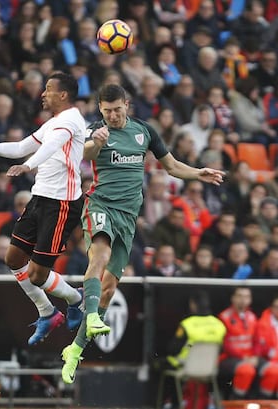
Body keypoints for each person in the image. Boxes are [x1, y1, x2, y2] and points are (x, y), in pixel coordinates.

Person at [61, 83, 225, 384]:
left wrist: (198, 172)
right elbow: (84, 155)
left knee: (109, 288)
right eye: (106, 110)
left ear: (127, 105)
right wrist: (96, 141)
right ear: (100, 109)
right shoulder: (97, 130)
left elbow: (172, 166)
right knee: (100, 253)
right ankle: (94, 315)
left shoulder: (144, 132)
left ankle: (74, 349)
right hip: (100, 204)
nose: (111, 115)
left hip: (127, 218)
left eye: (117, 109)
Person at [0, 72, 85, 345]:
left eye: (49, 89)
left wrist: (28, 166)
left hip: (62, 204)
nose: (43, 93)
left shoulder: (71, 120)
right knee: (14, 259)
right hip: (40, 197)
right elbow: (21, 147)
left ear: (63, 95)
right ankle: (47, 312)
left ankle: (77, 299)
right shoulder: (53, 122)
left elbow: (50, 147)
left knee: (38, 274)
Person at [158, 291, 226, 409]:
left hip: (185, 368)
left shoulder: (187, 324)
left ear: (193, 305)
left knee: (160, 365)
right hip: (210, 370)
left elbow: (173, 349)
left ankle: (172, 404)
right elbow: (221, 349)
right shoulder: (219, 325)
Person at [218, 286, 278, 399]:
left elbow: (257, 341)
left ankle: (263, 402)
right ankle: (236, 402)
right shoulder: (224, 317)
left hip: (251, 358)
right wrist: (244, 358)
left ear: (250, 300)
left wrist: (255, 356)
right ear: (233, 298)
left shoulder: (252, 317)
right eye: (239, 296)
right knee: (246, 370)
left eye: (246, 297)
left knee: (274, 371)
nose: (243, 300)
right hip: (229, 358)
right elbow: (225, 345)